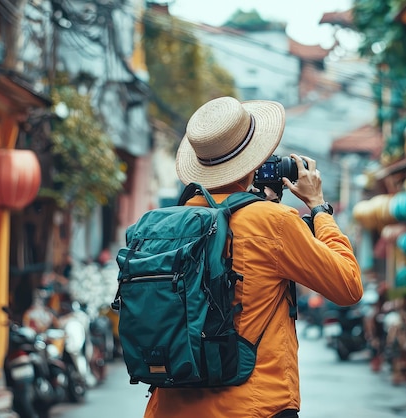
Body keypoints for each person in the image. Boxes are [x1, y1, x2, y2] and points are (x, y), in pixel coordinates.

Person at [144, 96, 363, 418]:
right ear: (254, 162)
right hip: (252, 405)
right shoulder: (273, 222)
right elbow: (348, 286)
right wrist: (318, 207)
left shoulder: (162, 224)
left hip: (169, 406)